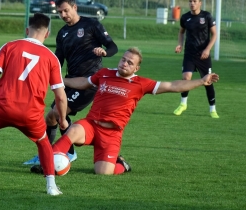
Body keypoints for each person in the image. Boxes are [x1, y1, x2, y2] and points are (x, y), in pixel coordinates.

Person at [31, 47, 220, 175]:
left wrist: (201, 81)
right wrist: (60, 81)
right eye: (123, 59)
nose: (124, 63)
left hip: (112, 133)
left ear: (136, 67)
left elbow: (173, 85)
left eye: (130, 62)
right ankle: (46, 164)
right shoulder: (104, 73)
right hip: (91, 125)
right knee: (72, 131)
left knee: (103, 173)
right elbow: (83, 82)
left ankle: (121, 165)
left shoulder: (141, 84)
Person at [0, 13, 68, 196]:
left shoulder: (10, 46)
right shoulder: (51, 58)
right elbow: (61, 97)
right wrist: (62, 119)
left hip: (3, 107)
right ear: (47, 34)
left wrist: (4, 88)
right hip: (31, 114)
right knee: (43, 142)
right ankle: (51, 187)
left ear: (27, 29)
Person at [23, 0, 118, 165]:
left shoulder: (91, 24)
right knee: (51, 118)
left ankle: (55, 154)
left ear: (75, 7)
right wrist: (44, 69)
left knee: (57, 114)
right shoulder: (62, 33)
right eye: (60, 12)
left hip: (88, 83)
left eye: (66, 10)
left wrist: (105, 52)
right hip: (69, 81)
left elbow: (113, 46)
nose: (63, 15)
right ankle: (57, 154)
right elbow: (58, 60)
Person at [173, 0, 219, 119]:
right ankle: (183, 104)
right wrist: (180, 44)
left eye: (194, 1)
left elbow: (214, 34)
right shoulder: (185, 17)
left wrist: (208, 49)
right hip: (189, 54)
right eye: (190, 1)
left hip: (203, 55)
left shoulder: (207, 16)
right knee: (186, 77)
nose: (192, 3)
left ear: (200, 3)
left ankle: (212, 109)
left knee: (208, 81)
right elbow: (181, 32)